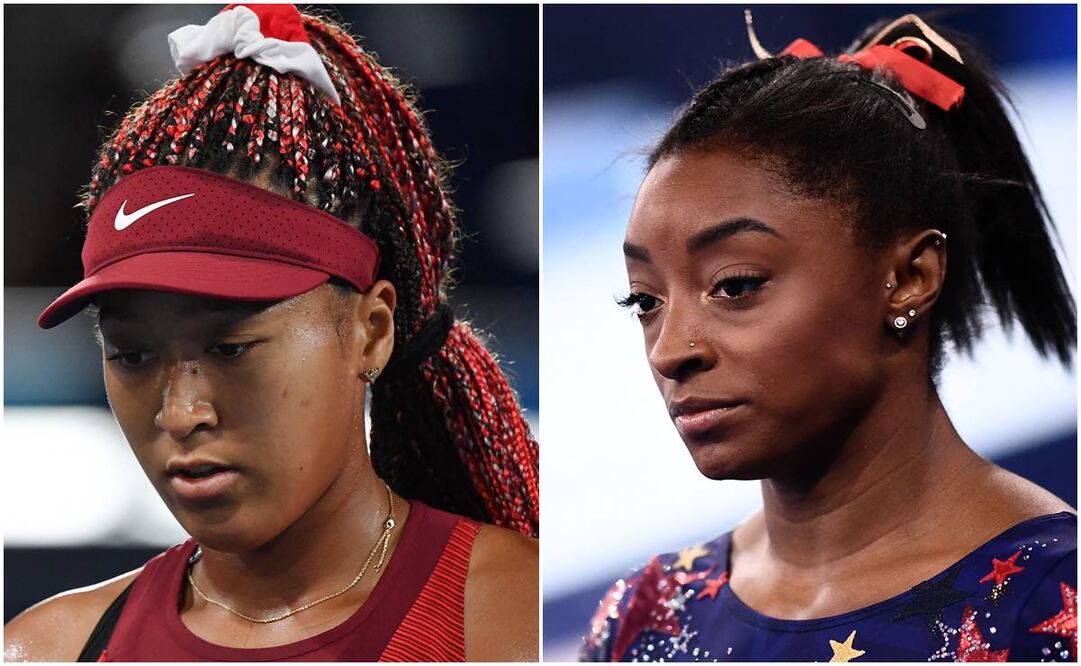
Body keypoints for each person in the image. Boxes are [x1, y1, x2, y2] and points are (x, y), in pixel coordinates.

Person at [3, 5, 538, 662]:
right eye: (132, 354)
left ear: (371, 331)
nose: (181, 412)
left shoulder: (516, 621)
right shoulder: (47, 648)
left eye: (229, 348)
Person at [582, 11, 1076, 662]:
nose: (670, 350)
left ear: (907, 277)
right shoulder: (644, 618)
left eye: (734, 285)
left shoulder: (1049, 607)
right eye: (643, 300)